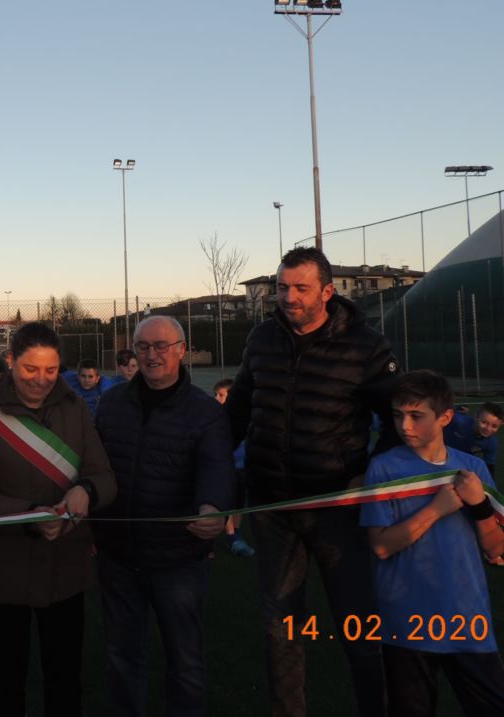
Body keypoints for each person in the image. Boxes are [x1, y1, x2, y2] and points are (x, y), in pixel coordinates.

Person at [226, 246, 399, 716]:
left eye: (300, 288)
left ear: (326, 291)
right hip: (272, 511)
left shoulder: (366, 346)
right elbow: (238, 413)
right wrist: (213, 470)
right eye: (282, 287)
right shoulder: (262, 338)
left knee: (357, 626)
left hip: (337, 511)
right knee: (281, 631)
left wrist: (369, 472)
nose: (288, 297)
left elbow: (398, 423)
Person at [0, 322, 116, 717]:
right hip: (2, 570)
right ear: (11, 362)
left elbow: (104, 476)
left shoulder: (75, 407)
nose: (41, 380)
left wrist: (88, 492)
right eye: (30, 369)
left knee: (64, 677)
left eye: (50, 370)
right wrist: (30, 516)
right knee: (8, 679)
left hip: (66, 568)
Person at [94, 315, 235, 716]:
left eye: (161, 346)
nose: (152, 355)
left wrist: (212, 508)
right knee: (123, 656)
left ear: (181, 351)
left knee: (185, 660)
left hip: (179, 560)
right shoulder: (111, 403)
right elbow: (96, 464)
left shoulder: (205, 412)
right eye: (143, 347)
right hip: (119, 556)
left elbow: (217, 468)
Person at [360, 370, 504, 716]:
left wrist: (480, 504)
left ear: (445, 417)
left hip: (467, 617)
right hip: (406, 620)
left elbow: (497, 549)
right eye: (398, 416)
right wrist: (438, 509)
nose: (405, 426)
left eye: (416, 416)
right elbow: (381, 546)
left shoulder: (472, 469)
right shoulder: (382, 469)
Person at [213, 378, 255, 558]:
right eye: (216, 394)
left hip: (242, 467)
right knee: (227, 502)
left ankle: (235, 534)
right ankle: (230, 536)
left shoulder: (244, 417)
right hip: (225, 468)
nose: (217, 398)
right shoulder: (215, 418)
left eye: (221, 395)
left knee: (239, 503)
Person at [444, 402, 502, 478]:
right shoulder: (459, 422)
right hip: (442, 452)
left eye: (494, 426)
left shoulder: (491, 442)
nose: (488, 429)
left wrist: (490, 487)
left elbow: (489, 467)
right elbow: (443, 411)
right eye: (484, 422)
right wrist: (457, 408)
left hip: (461, 461)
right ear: (476, 417)